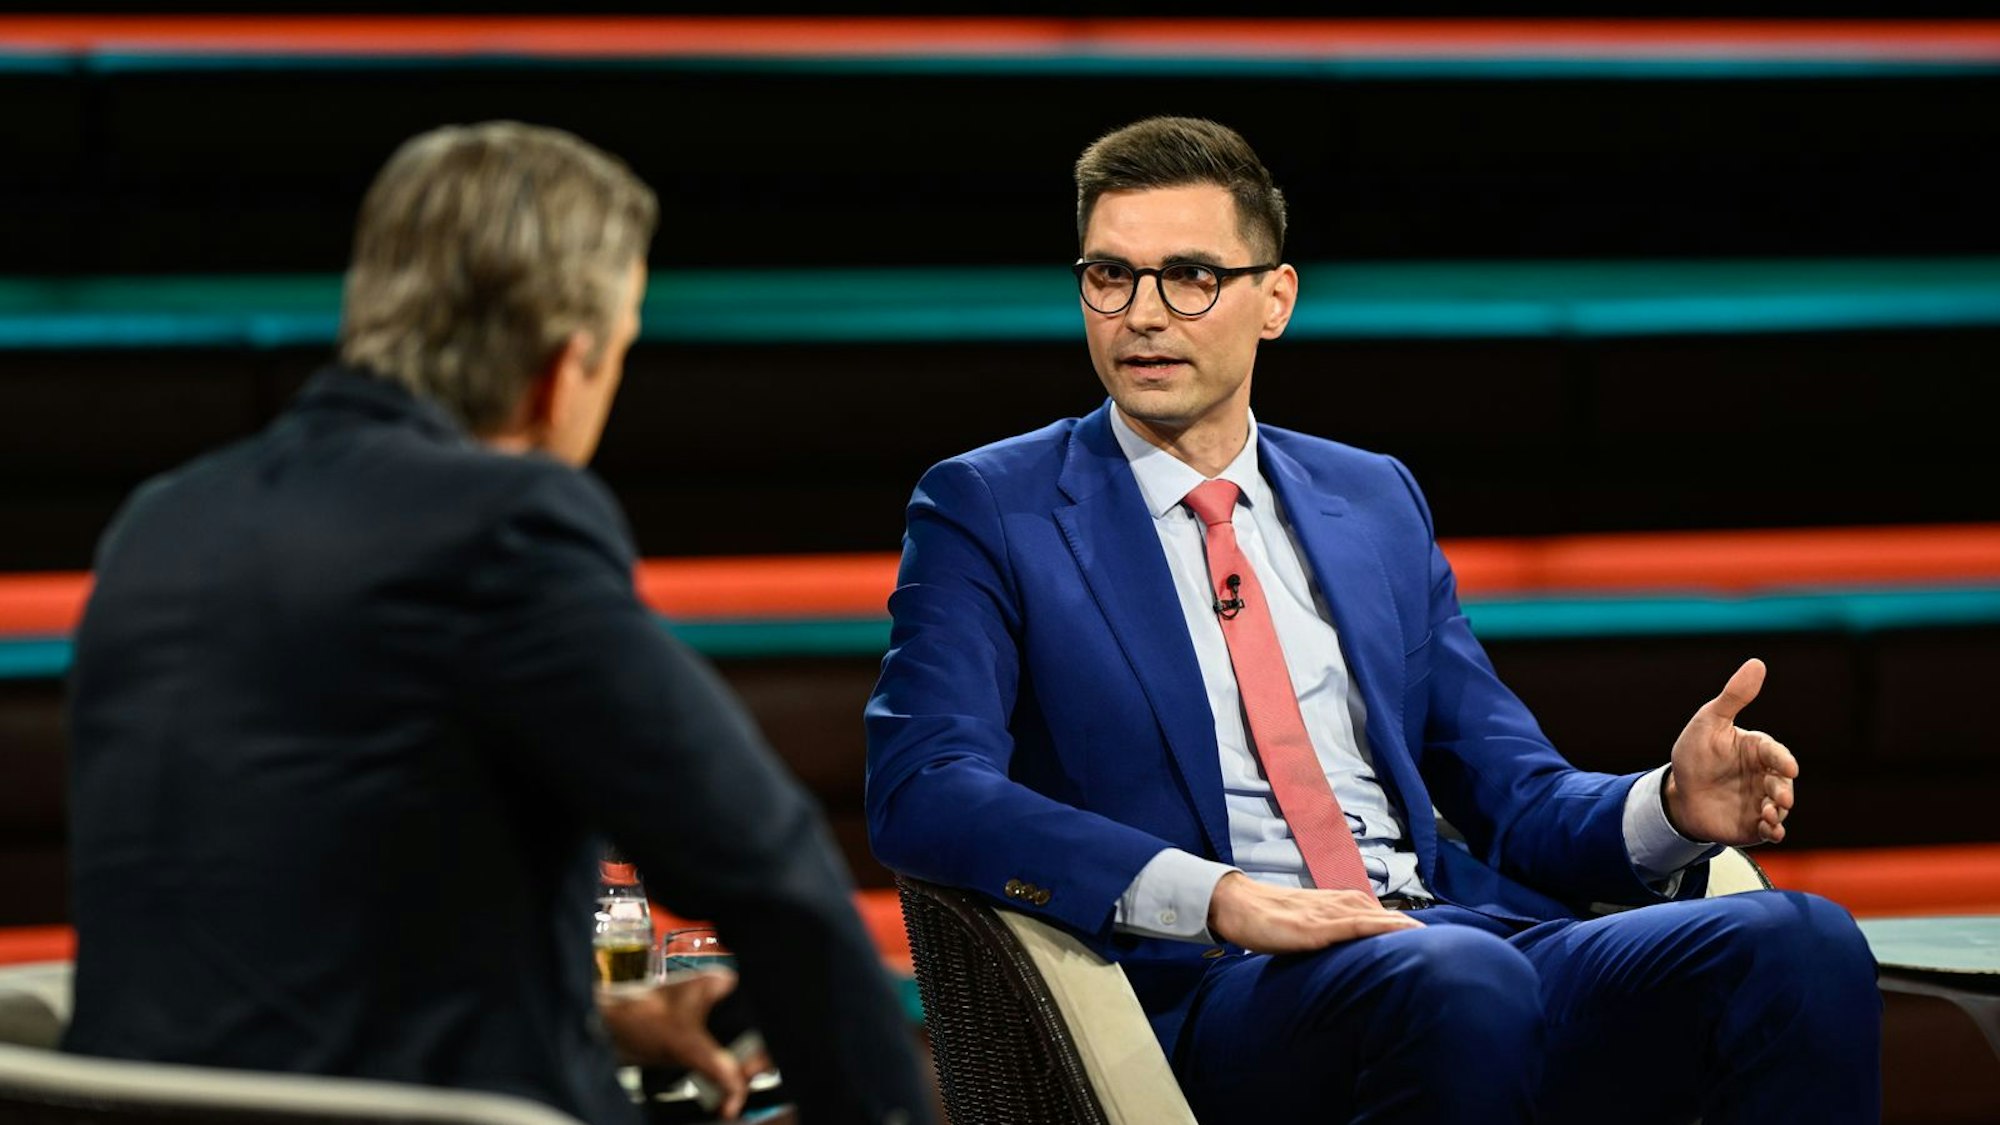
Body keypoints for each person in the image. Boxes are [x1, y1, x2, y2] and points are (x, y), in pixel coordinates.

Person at [865, 116, 1879, 1124]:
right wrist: (1215, 895)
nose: (1141, 315)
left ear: (1274, 300)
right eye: (1108, 276)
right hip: (1215, 983)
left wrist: (1666, 805)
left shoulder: (1371, 498)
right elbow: (922, 787)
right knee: (1452, 978)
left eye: (1189, 277)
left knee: (1797, 940)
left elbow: (1513, 796)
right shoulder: (990, 507)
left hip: (1441, 934)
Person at [65, 121, 932, 1125]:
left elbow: (278, 912)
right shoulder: (500, 526)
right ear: (561, 371)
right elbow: (766, 869)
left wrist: (591, 1003)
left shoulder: (163, 521)